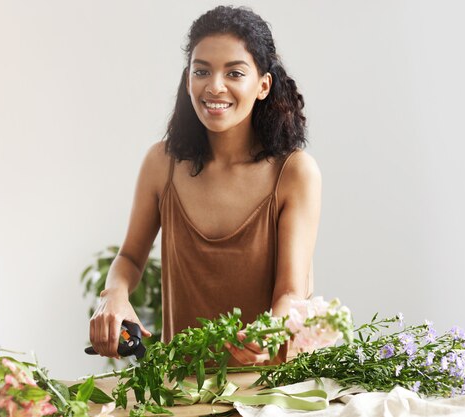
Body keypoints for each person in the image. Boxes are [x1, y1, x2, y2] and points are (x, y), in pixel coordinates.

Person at [89, 5, 321, 366]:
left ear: (263, 85)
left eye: (234, 73)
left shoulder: (294, 173)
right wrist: (113, 296)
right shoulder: (160, 163)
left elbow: (292, 293)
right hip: (180, 391)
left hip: (265, 390)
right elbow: (130, 258)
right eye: (202, 71)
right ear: (187, 81)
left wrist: (270, 332)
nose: (215, 86)